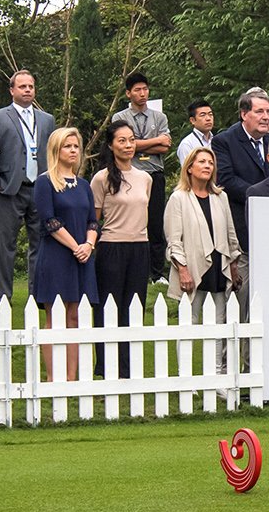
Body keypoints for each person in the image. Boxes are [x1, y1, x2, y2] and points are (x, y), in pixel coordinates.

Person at [163, 145, 245, 374]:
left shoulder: (221, 197)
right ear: (189, 167)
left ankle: (216, 375)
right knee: (188, 323)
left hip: (219, 267)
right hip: (192, 268)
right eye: (202, 162)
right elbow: (173, 239)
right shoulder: (179, 198)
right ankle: (186, 378)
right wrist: (183, 270)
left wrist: (234, 265)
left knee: (218, 325)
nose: (207, 166)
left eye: (210, 163)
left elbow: (230, 235)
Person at [31, 127, 98, 382]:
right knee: (55, 317)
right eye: (68, 146)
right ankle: (53, 377)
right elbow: (49, 221)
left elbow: (93, 221)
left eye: (76, 146)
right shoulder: (45, 182)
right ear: (56, 150)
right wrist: (75, 246)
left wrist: (88, 246)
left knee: (76, 316)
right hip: (57, 256)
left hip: (82, 256)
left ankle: (71, 378)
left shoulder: (83, 185)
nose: (73, 151)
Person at [0, 69, 56, 303]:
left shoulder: (47, 120)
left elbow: (53, 153)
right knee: (5, 245)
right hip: (9, 188)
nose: (27, 90)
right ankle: (4, 295)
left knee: (40, 243)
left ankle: (36, 295)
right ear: (12, 90)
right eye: (22, 86)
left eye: (31, 86)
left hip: (41, 188)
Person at [92, 120, 152, 376]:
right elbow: (93, 220)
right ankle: (106, 366)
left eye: (131, 140)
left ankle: (128, 368)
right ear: (111, 145)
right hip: (111, 248)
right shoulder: (101, 178)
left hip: (140, 248)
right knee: (109, 308)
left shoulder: (145, 178)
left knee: (134, 308)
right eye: (122, 141)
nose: (128, 145)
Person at [112, 72, 172, 274]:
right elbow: (121, 146)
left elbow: (165, 147)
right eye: (137, 90)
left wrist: (137, 145)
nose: (142, 93)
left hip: (154, 173)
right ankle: (137, 269)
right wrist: (154, 141)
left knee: (156, 223)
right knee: (134, 222)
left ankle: (157, 271)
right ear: (128, 93)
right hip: (130, 174)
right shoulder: (120, 117)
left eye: (145, 89)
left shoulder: (159, 116)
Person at [210, 88, 269, 253]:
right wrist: (261, 196)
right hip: (242, 219)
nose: (266, 117)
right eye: (260, 111)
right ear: (244, 114)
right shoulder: (224, 141)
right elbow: (226, 180)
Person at [174, 101, 216, 172]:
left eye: (210, 114)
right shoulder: (187, 144)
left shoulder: (217, 140)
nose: (208, 118)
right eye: (203, 115)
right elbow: (187, 172)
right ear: (192, 120)